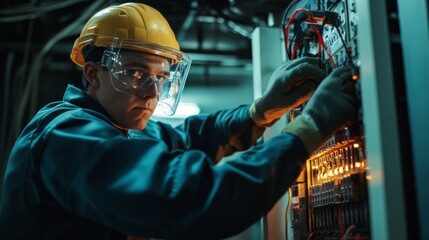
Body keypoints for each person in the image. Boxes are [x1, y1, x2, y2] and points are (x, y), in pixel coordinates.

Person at [0, 2, 358, 240]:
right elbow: (190, 197)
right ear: (93, 74)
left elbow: (190, 136)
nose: (152, 93)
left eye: (161, 78)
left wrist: (260, 110)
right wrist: (307, 130)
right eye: (136, 74)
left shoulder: (115, 127)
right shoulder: (69, 136)